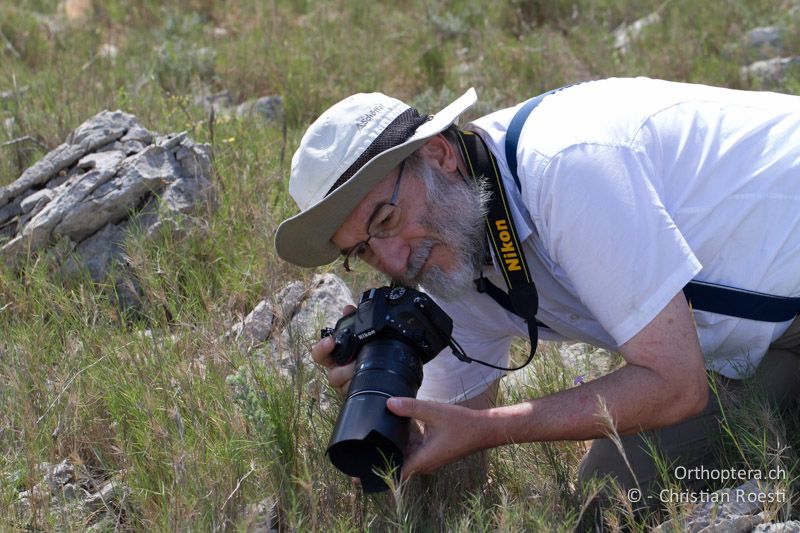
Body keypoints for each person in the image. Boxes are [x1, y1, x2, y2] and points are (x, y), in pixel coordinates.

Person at [274, 77, 800, 502]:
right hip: (753, 344)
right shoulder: (450, 252)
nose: (394, 263)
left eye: (386, 220)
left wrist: (494, 429)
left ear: (438, 155)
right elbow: (452, 432)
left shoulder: (565, 167)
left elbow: (676, 385)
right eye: (363, 251)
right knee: (610, 497)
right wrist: (385, 411)